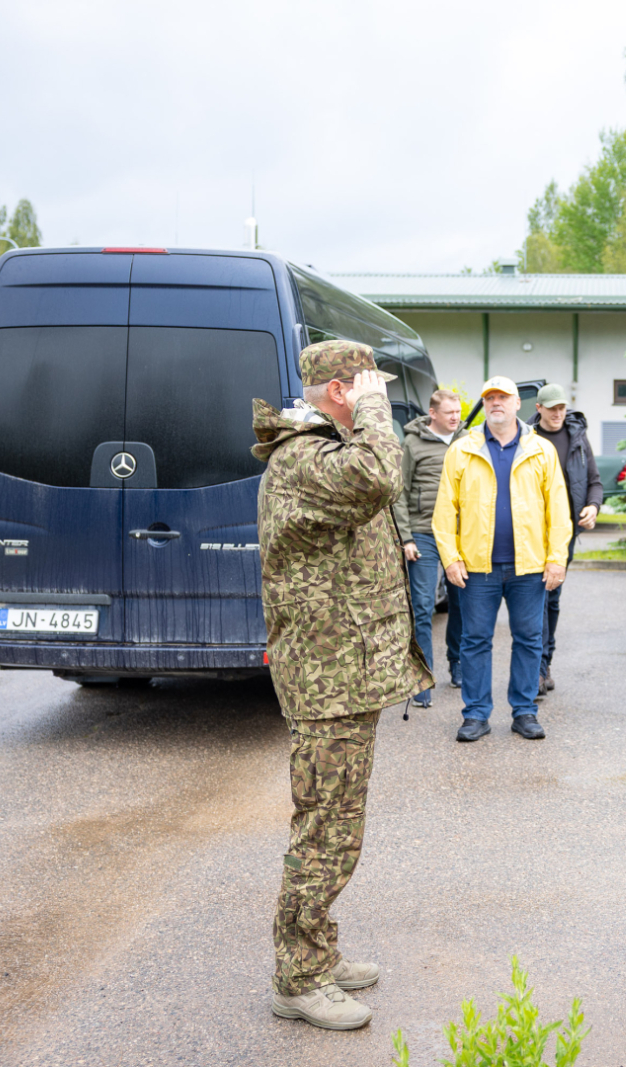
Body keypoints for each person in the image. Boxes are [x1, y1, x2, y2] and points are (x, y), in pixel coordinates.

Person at [251, 340, 432, 1032]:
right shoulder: (307, 458)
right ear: (339, 391)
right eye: (365, 388)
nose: (375, 399)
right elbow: (381, 476)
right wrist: (373, 409)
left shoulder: (323, 453)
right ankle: (298, 976)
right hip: (327, 681)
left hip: (345, 672)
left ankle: (316, 952)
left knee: (336, 827)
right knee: (326, 831)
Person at [433, 375, 572, 742]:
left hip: (530, 567)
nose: (496, 403)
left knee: (529, 638)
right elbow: (445, 511)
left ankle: (524, 712)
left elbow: (558, 511)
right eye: (489, 397)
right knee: (475, 639)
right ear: (484, 404)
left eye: (503, 397)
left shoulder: (541, 450)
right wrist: (450, 557)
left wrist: (557, 558)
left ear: (517, 404)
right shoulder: (462, 449)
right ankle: (476, 715)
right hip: (478, 568)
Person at [528, 382, 602, 696]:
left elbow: (594, 482)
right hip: (531, 530)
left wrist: (593, 506)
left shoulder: (577, 437)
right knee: (537, 596)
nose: (558, 414)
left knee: (552, 596)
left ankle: (546, 661)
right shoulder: (527, 438)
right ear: (539, 409)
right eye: (552, 408)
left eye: (562, 408)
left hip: (565, 530)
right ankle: (538, 668)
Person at [394, 388, 464, 707]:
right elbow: (400, 493)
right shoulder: (413, 443)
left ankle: (457, 661)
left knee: (462, 603)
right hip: (422, 533)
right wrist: (406, 537)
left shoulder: (468, 441)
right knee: (422, 606)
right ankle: (423, 678)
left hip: (461, 534)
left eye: (458, 411)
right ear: (433, 413)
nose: (455, 417)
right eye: (449, 412)